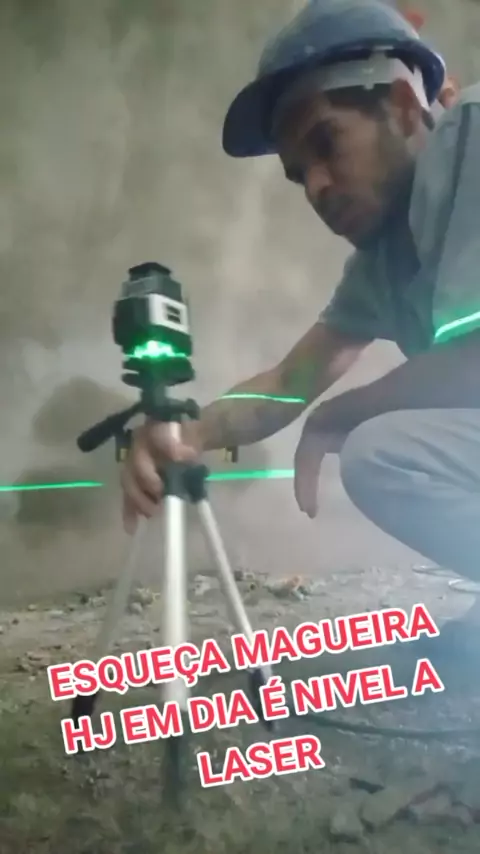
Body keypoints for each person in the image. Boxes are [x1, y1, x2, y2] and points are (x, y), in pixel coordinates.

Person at [121, 0, 480, 659]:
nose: (315, 186)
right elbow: (290, 380)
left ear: (404, 106)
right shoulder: (385, 260)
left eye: (326, 143)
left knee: (382, 448)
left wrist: (339, 414)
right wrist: (185, 434)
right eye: (297, 173)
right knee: (392, 448)